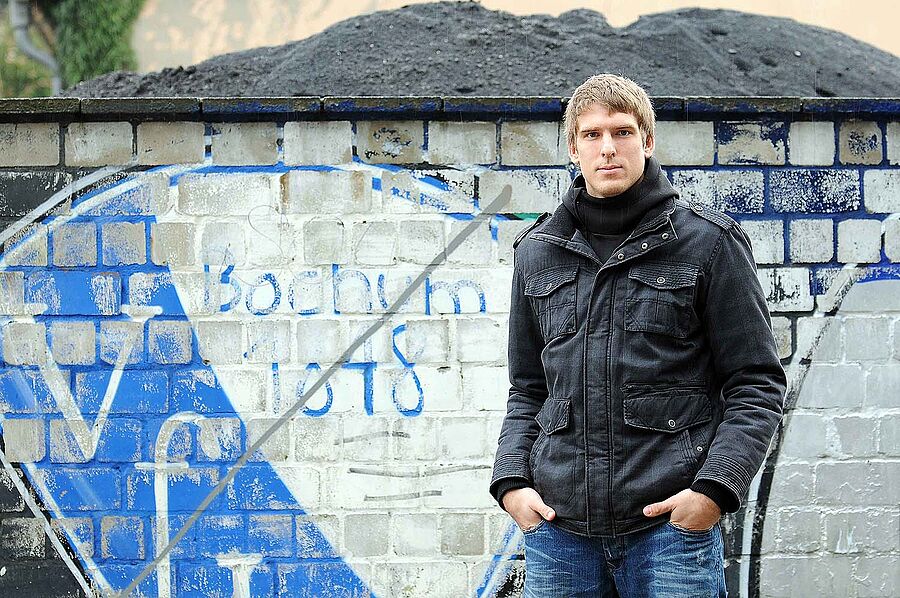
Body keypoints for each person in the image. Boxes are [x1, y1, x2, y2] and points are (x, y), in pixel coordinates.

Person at [489, 74, 786, 597]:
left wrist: (714, 491)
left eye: (622, 132)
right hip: (559, 534)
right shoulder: (537, 251)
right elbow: (529, 389)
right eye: (592, 134)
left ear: (647, 141)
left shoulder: (706, 243)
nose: (608, 147)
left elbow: (756, 383)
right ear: (574, 148)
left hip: (670, 533)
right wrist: (511, 482)